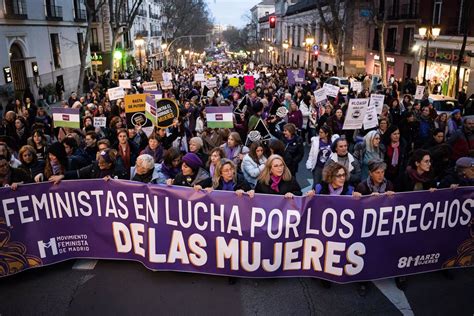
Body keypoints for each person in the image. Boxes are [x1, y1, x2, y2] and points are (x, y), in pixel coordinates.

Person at [49, 149, 128, 183]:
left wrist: (113, 181)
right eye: (99, 161)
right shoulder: (95, 166)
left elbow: (124, 184)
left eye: (102, 163)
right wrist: (63, 175)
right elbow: (78, 173)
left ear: (110, 164)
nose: (99, 164)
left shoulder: (119, 171)